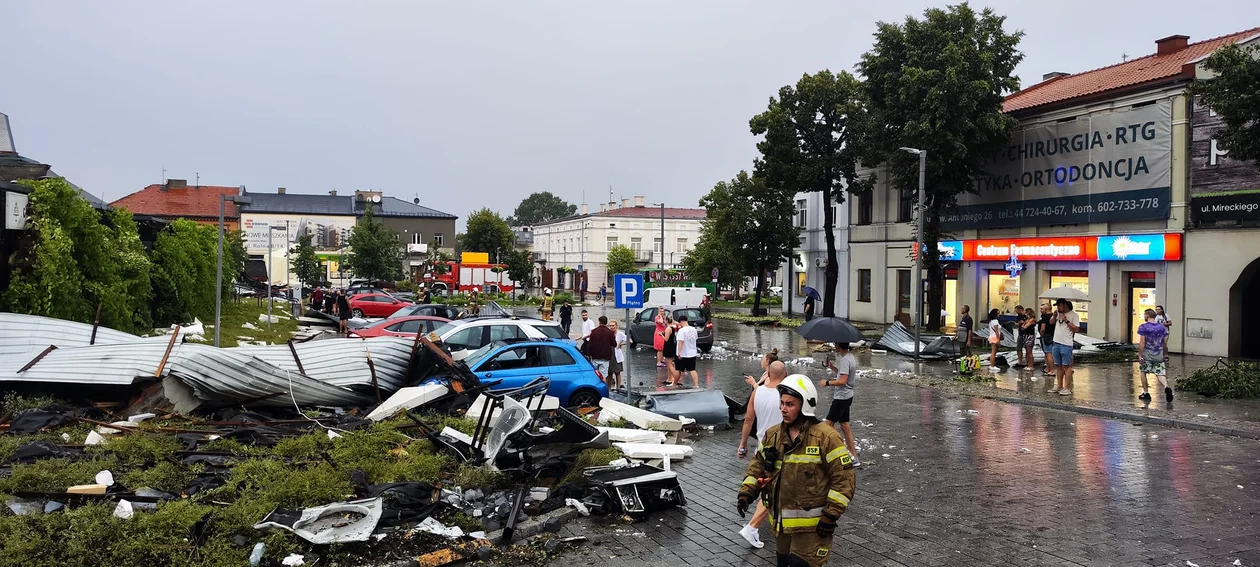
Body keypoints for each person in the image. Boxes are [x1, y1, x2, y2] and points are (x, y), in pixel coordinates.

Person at [737, 375, 855, 567]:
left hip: (813, 528)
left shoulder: (826, 437)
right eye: (782, 403)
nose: (783, 409)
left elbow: (844, 480)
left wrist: (830, 515)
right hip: (782, 526)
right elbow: (757, 465)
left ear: (805, 405)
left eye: (790, 404)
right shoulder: (773, 434)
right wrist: (746, 492)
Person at [736, 360, 789, 549]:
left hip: (762, 447)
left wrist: (742, 445)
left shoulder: (757, 391)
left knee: (766, 486)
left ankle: (758, 524)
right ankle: (752, 527)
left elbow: (748, 419)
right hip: (780, 449)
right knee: (774, 489)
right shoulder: (785, 396)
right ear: (785, 374)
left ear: (768, 373)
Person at [819, 342, 859, 467]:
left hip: (841, 398)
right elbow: (842, 374)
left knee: (827, 426)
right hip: (847, 396)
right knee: (845, 426)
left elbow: (842, 380)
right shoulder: (849, 357)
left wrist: (827, 382)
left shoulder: (845, 360)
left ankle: (836, 451)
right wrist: (832, 367)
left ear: (837, 345)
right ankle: (853, 456)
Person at [1137, 308, 1173, 404]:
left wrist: (1140, 354)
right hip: (1159, 354)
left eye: (1144, 315)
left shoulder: (1143, 327)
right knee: (1160, 373)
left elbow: (1142, 342)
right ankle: (1166, 387)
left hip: (1147, 355)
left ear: (1147, 316)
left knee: (1143, 371)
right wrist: (1166, 354)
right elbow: (1165, 343)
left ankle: (1146, 393)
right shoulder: (1161, 328)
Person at [1049, 299, 1081, 395]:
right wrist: (1054, 316)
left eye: (1059, 305)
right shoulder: (1058, 314)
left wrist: (1066, 321)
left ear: (1065, 305)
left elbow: (1076, 329)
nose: (1057, 307)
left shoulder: (1074, 315)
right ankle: (1059, 385)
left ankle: (1067, 387)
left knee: (1067, 366)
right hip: (1056, 342)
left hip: (1066, 344)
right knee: (1058, 366)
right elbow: (1051, 323)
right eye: (1057, 306)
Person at [675, 315, 700, 389]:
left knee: (678, 369)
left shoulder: (682, 331)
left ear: (681, 322)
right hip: (692, 353)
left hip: (683, 354)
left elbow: (681, 342)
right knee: (692, 369)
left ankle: (674, 384)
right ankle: (696, 385)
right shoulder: (693, 329)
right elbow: (695, 339)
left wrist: (679, 353)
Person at [1038, 304, 1056, 376]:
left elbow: (1043, 328)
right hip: (1053, 336)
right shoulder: (1054, 317)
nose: (1041, 310)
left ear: (1046, 309)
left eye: (1042, 309)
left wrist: (1041, 335)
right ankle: (1048, 368)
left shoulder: (1044, 317)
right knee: (1050, 353)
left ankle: (1051, 369)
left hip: (1046, 336)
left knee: (1048, 353)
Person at [662, 315, 679, 386]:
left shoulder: (668, 329)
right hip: (672, 346)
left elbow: (666, 339)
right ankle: (669, 378)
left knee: (669, 364)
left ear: (666, 321)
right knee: (669, 363)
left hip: (668, 346)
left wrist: (661, 335)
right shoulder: (672, 328)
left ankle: (675, 378)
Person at [609, 320, 627, 390]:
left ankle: (618, 388)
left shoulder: (620, 334)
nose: (611, 327)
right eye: (610, 326)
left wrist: (621, 344)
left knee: (617, 372)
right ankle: (609, 389)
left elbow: (629, 341)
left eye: (613, 325)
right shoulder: (608, 333)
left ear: (616, 326)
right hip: (609, 354)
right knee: (609, 373)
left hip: (617, 354)